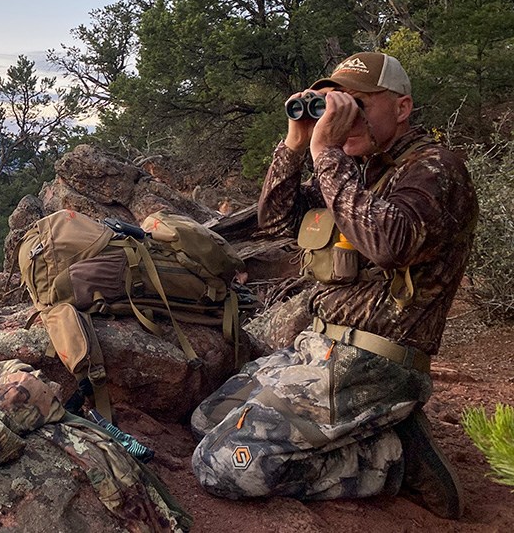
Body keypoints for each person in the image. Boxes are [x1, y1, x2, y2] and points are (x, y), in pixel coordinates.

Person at [189, 52, 478, 519]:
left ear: (401, 108)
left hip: (373, 361)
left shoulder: (435, 169)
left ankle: (392, 460)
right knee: (205, 420)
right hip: (317, 347)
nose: (344, 115)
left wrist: (326, 155)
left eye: (358, 103)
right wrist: (296, 144)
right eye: (334, 103)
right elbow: (275, 221)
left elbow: (389, 243)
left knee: (219, 466)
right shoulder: (356, 170)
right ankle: (376, 431)